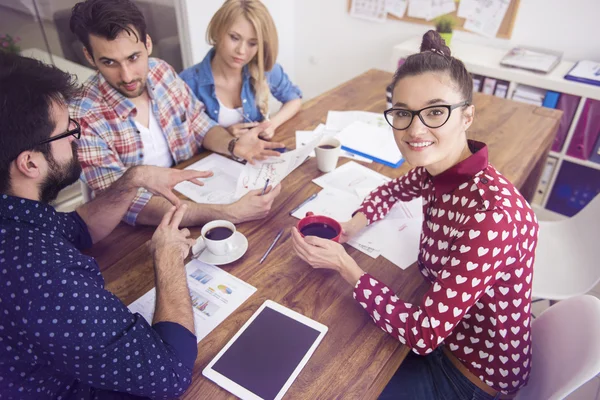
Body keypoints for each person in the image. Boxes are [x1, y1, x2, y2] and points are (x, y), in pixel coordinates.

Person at [291, 31, 537, 399]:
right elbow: (392, 189)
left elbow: (424, 334)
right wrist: (352, 225)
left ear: (467, 116)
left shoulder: (492, 216)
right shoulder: (438, 167)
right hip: (443, 329)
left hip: (469, 375)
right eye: (403, 113)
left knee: (333, 380)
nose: (415, 129)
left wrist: (346, 267)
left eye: (436, 112)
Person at [0, 53, 206, 399]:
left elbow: (76, 229)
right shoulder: (40, 274)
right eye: (67, 132)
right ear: (30, 163)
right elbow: (169, 374)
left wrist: (133, 179)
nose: (76, 138)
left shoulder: (18, 215)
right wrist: (168, 258)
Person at [70, 0, 283, 227]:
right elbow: (125, 201)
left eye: (134, 58)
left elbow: (199, 123)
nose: (128, 76)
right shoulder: (82, 117)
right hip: (139, 228)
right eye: (109, 62)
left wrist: (232, 145)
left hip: (193, 194)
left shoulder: (161, 72)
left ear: (148, 44)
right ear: (89, 57)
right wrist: (228, 213)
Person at [180, 0, 302, 139]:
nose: (241, 51)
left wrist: (272, 124)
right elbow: (182, 144)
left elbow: (294, 99)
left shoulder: (263, 69)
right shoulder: (187, 83)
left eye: (252, 43)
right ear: (218, 31)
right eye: (234, 38)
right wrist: (223, 136)